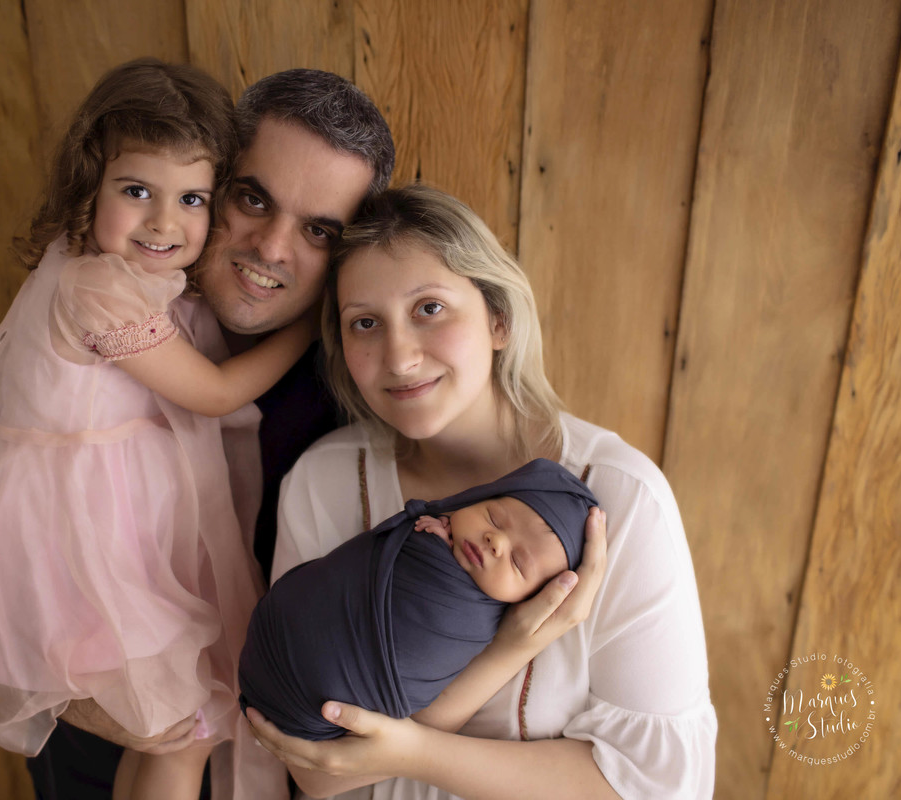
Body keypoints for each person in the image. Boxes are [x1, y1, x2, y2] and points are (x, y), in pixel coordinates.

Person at [0, 58, 321, 800]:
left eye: (192, 199)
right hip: (85, 556)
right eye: (136, 190)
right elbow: (215, 394)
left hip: (106, 534)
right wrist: (309, 324)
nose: (164, 222)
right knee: (186, 730)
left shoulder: (98, 266)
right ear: (89, 184)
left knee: (172, 732)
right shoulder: (98, 288)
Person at [247, 184, 717, 799]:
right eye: (365, 323)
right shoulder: (325, 481)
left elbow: (659, 785)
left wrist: (415, 752)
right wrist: (508, 652)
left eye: (429, 308)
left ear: (499, 319)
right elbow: (312, 767)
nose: (399, 357)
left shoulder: (621, 499)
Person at [25, 68, 396, 798]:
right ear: (209, 180)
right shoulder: (102, 314)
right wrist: (69, 695)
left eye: (318, 231)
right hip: (84, 742)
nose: (272, 248)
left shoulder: (358, 398)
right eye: (252, 199)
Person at [239, 458, 602, 741]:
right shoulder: (322, 470)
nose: (496, 541)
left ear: (535, 598)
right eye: (493, 517)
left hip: (322, 706)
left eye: (518, 563)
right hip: (276, 634)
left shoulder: (477, 623)